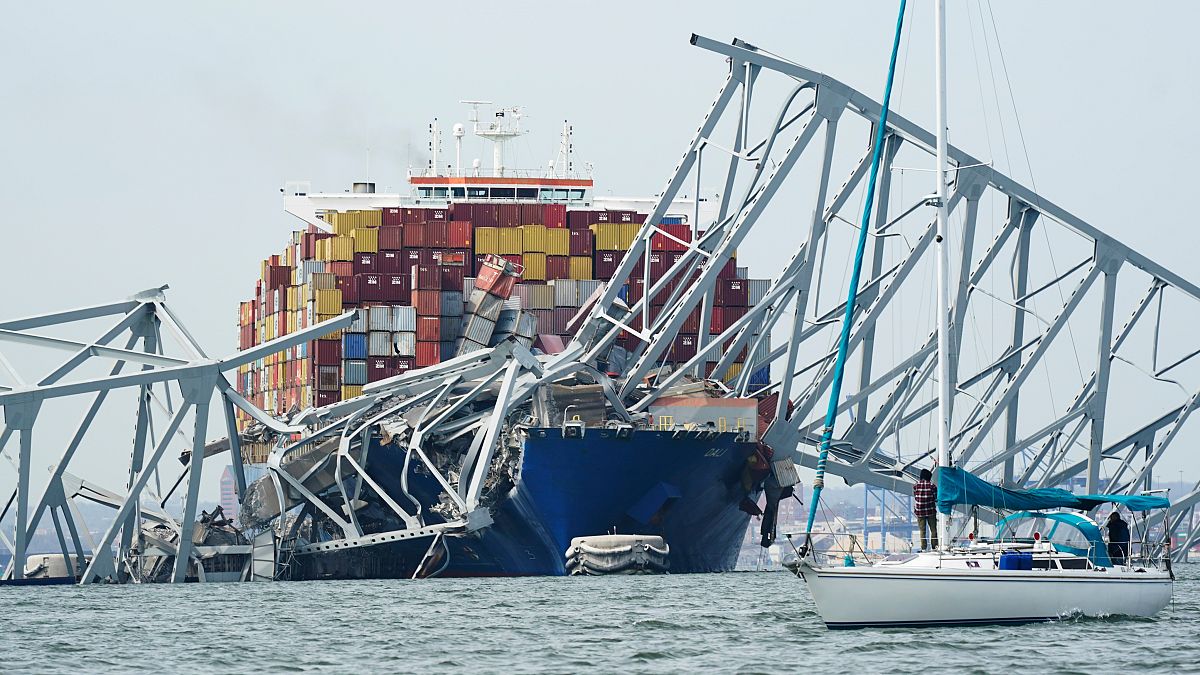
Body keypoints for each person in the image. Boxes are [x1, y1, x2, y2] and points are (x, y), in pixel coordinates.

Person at [913, 468, 938, 551]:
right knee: (933, 530)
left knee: (922, 531)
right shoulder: (932, 486)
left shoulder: (916, 486)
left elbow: (915, 497)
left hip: (920, 512)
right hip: (930, 511)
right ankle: (934, 547)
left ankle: (923, 548)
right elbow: (936, 498)